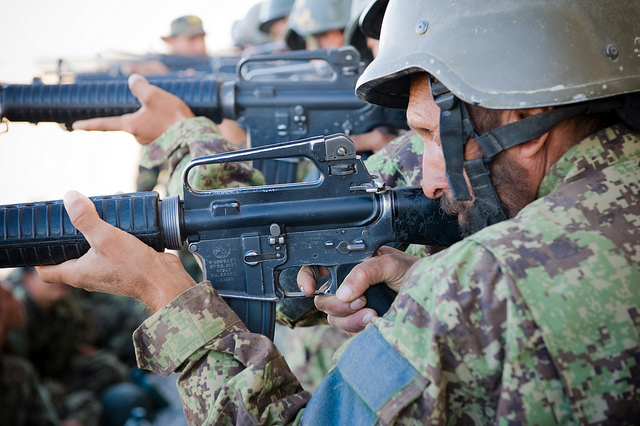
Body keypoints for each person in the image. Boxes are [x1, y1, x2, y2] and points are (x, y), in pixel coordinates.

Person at [37, 0, 640, 423]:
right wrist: (422, 294)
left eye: (433, 137)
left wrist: (170, 300)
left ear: (520, 126)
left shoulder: (488, 282)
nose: (428, 178)